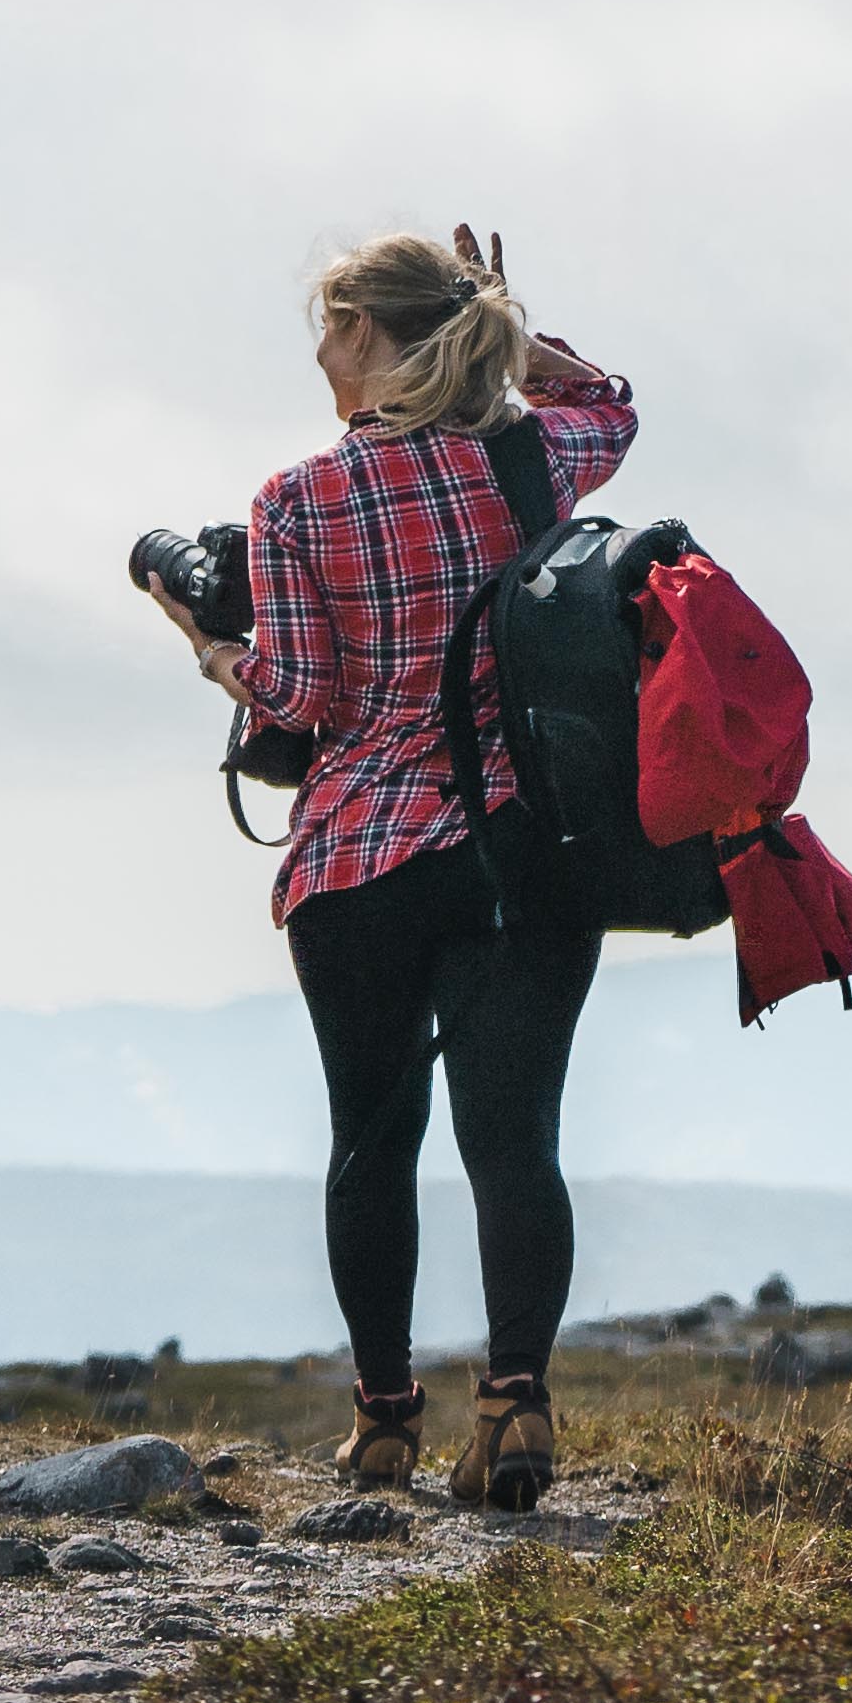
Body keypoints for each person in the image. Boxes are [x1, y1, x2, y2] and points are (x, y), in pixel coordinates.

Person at [140, 227, 639, 1506]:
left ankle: (382, 1425)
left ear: (363, 336)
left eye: (329, 325)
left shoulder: (298, 500)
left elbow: (301, 699)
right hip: (524, 854)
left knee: (372, 1136)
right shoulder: (529, 457)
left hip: (361, 860)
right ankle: (517, 1407)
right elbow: (610, 403)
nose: (318, 350)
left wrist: (206, 643)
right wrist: (506, 321)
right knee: (515, 1142)